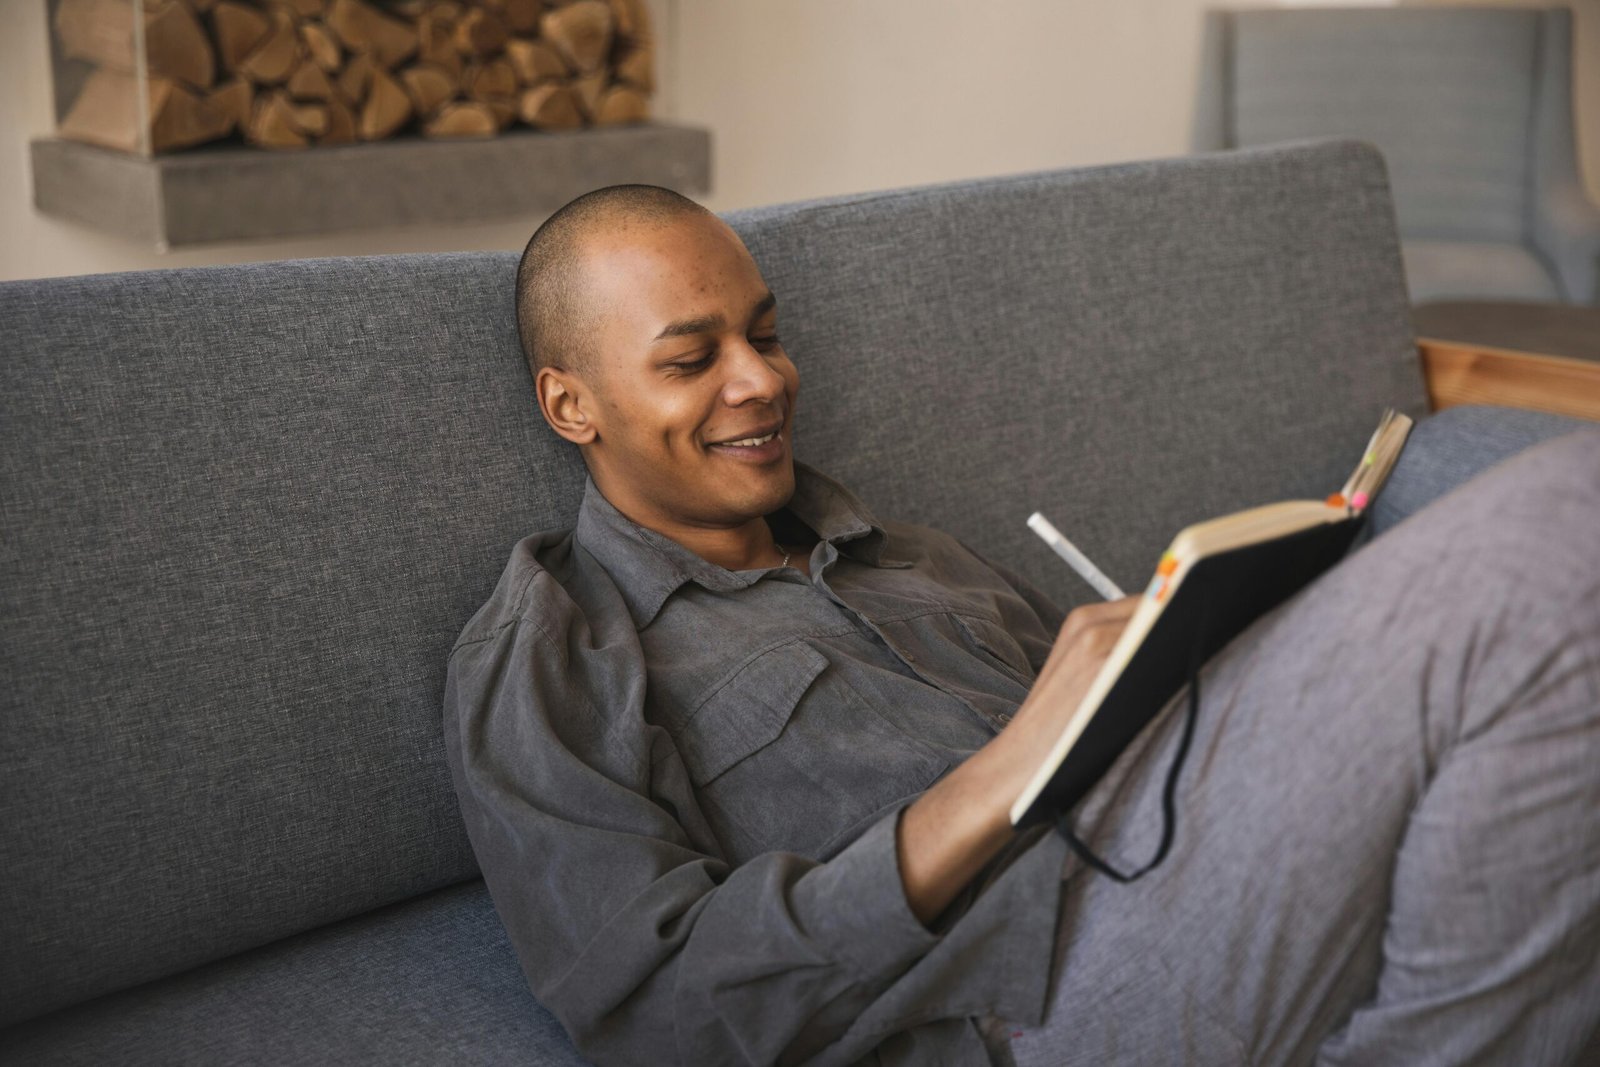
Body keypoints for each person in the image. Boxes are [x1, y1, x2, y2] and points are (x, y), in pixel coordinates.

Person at [442, 185, 1600, 1066]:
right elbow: (655, 1005)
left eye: (765, 333)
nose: (761, 380)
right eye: (692, 359)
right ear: (571, 402)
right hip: (1027, 985)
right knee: (1564, 513)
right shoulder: (554, 650)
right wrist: (1005, 769)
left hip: (1185, 845)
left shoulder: (915, 557)